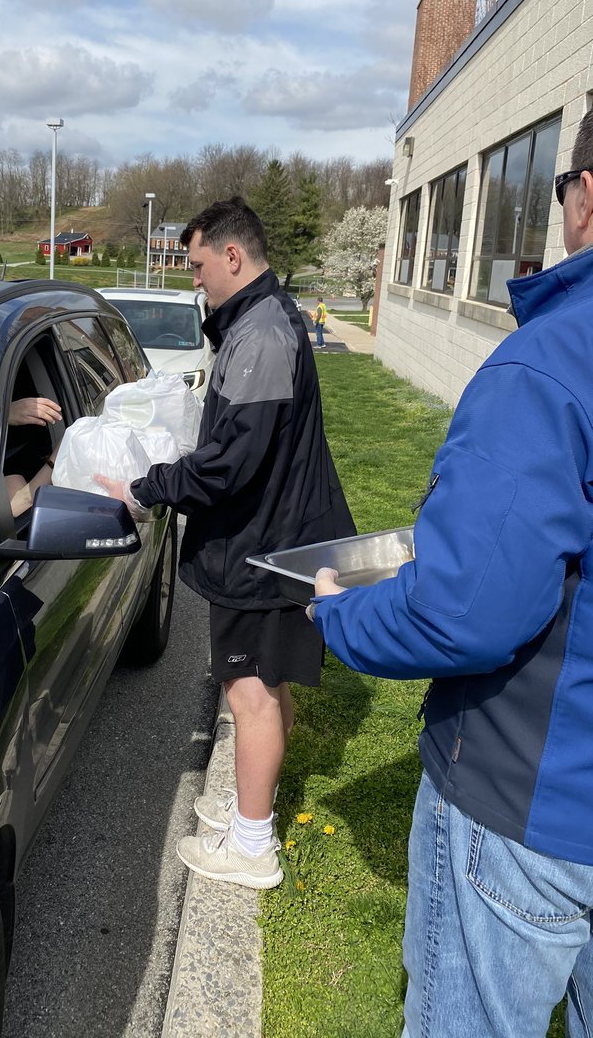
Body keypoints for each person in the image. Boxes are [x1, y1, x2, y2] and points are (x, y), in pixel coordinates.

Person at [309, 107, 593, 1037]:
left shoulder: (550, 365)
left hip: (532, 811)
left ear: (584, 195)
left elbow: (464, 610)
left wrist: (341, 612)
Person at [98, 196, 354, 890]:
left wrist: (145, 487)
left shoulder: (263, 331)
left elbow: (232, 460)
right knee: (262, 684)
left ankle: (252, 846)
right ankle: (250, 805)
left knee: (249, 692)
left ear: (232, 256)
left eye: (199, 264)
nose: (196, 280)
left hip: (266, 545)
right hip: (277, 534)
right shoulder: (258, 320)